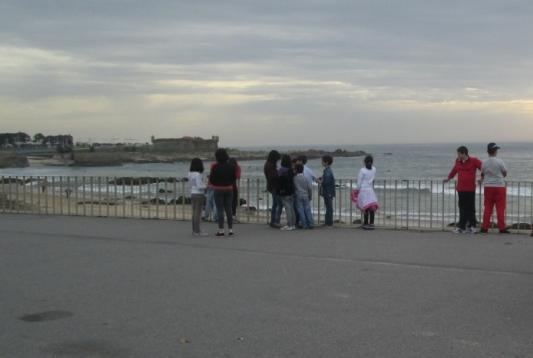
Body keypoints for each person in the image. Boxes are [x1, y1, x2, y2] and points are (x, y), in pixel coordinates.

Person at [443, 146, 482, 234]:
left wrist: (482, 178)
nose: (457, 155)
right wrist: (448, 178)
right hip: (461, 188)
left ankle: (472, 226)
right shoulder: (457, 161)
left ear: (464, 153)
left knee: (471, 208)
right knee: (462, 208)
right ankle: (461, 227)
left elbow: (483, 168)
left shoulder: (474, 160)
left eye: (459, 153)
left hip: (470, 188)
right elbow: (454, 170)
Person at [480, 143, 510, 234]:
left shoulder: (484, 162)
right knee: (500, 208)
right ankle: (502, 228)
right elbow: (505, 173)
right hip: (499, 187)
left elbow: (482, 174)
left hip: (488, 187)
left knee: (487, 208)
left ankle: (484, 228)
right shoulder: (499, 161)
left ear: (488, 151)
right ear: (495, 151)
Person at [209, 149, 236, 237]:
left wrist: (216, 184)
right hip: (229, 189)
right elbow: (234, 178)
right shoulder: (231, 166)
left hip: (218, 189)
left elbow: (212, 179)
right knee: (229, 209)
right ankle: (231, 230)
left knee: (220, 210)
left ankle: (221, 230)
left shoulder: (215, 167)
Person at [356, 155, 379, 230]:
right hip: (370, 190)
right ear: (372, 162)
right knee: (371, 207)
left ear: (364, 162)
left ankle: (365, 223)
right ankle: (371, 223)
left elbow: (359, 182)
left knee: (365, 207)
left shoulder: (362, 170)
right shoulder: (374, 169)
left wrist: (357, 190)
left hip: (363, 190)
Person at [188, 158, 208, 236]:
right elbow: (200, 186)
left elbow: (191, 184)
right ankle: (197, 231)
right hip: (199, 194)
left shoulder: (190, 173)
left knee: (194, 212)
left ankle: (194, 230)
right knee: (198, 213)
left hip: (193, 193)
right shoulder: (198, 174)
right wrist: (206, 186)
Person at [277, 154, 296, 230]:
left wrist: (279, 190)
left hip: (285, 191)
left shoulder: (281, 170)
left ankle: (289, 224)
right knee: (291, 208)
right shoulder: (291, 170)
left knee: (287, 208)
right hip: (291, 190)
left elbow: (279, 181)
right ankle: (293, 224)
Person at [264, 150, 282, 228]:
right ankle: (275, 221)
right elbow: (273, 176)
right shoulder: (270, 165)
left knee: (276, 203)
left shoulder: (268, 164)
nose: (278, 160)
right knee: (277, 204)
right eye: (277, 159)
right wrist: (279, 173)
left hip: (272, 186)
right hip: (274, 186)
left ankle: (273, 221)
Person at [293, 163, 314, 229]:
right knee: (307, 209)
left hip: (298, 195)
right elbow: (309, 188)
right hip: (306, 195)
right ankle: (310, 223)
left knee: (300, 210)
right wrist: (310, 195)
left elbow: (294, 187)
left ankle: (304, 224)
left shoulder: (294, 178)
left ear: (296, 170)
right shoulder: (306, 178)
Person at [318, 155, 335, 227]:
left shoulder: (327, 171)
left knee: (329, 207)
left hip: (328, 192)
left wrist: (320, 181)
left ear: (326, 162)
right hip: (328, 192)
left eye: (322, 161)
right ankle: (327, 222)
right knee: (328, 207)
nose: (321, 162)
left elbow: (326, 182)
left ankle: (329, 223)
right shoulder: (327, 170)